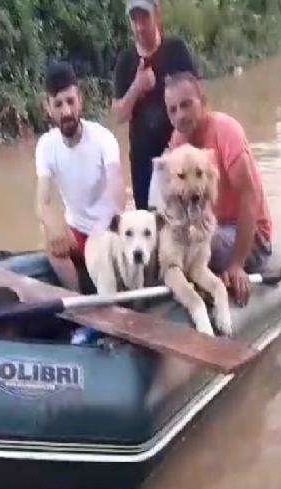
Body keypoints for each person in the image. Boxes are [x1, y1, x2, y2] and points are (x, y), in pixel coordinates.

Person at [159, 71, 273, 306]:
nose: (180, 115)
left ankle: (198, 287)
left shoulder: (226, 131)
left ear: (203, 101)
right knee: (164, 238)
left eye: (186, 105)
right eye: (172, 109)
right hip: (212, 225)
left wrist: (237, 264)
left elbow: (249, 197)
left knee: (193, 246)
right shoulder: (179, 141)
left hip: (250, 236)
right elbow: (167, 194)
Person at [35, 61, 126, 292]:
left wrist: (104, 231)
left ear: (80, 100)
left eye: (70, 101)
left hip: (106, 234)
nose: (66, 111)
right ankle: (76, 300)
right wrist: (54, 226)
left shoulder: (103, 138)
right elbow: (42, 202)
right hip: (77, 233)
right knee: (48, 235)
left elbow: (117, 193)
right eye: (58, 104)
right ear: (48, 107)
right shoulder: (46, 145)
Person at [112, 0, 197, 210]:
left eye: (145, 18)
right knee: (148, 225)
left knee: (185, 218)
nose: (140, 26)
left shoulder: (176, 50)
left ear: (157, 14)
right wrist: (136, 87)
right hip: (143, 163)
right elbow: (117, 116)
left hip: (180, 155)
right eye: (134, 19)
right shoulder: (125, 61)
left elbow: (198, 100)